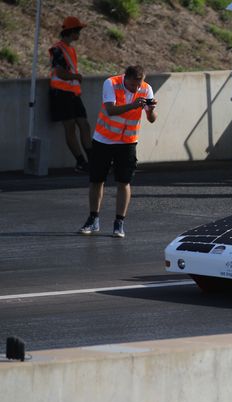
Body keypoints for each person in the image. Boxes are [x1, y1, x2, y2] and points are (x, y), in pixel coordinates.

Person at [78, 65, 157, 238]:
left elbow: (151, 119)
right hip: (103, 139)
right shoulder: (111, 83)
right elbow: (110, 110)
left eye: (139, 84)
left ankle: (119, 222)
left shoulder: (146, 88)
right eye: (133, 85)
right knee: (97, 180)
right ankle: (93, 218)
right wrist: (133, 105)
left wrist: (150, 110)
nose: (136, 88)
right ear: (125, 78)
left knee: (124, 181)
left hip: (128, 142)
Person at [48, 16, 93, 173]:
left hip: (72, 94)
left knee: (84, 125)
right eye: (78, 31)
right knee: (70, 127)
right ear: (71, 31)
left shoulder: (70, 49)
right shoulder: (57, 49)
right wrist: (76, 77)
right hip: (61, 93)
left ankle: (92, 160)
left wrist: (74, 79)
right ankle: (81, 162)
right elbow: (59, 72)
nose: (79, 34)